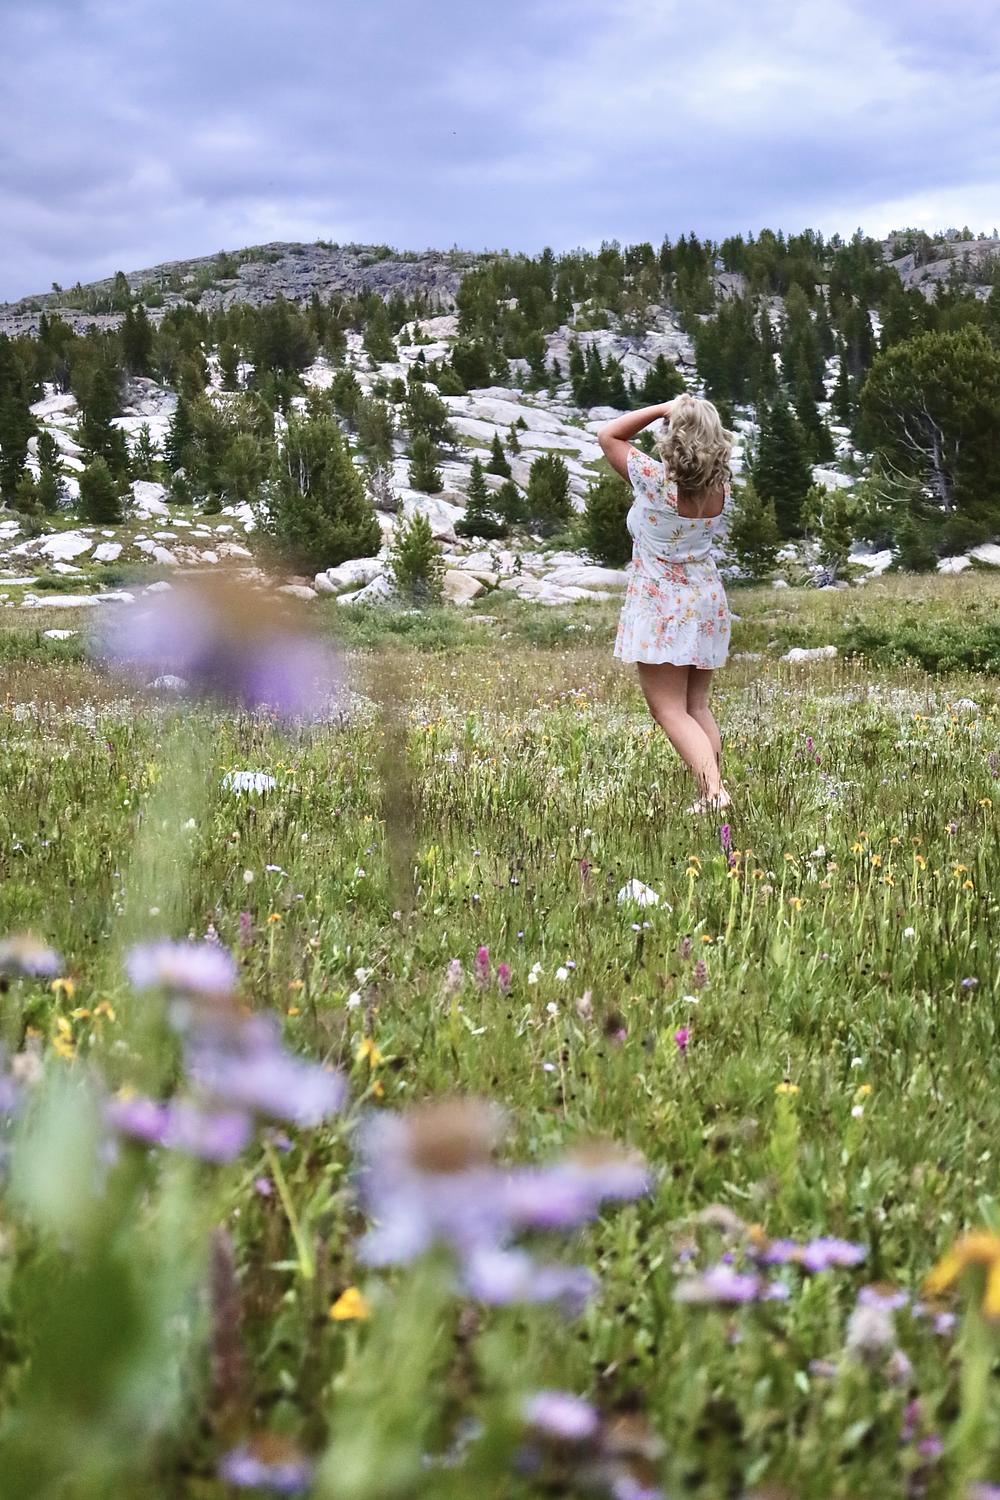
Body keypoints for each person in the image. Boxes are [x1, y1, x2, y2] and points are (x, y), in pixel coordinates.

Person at [597, 394, 734, 814]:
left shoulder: (655, 481)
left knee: (669, 709)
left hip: (664, 606)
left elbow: (608, 435)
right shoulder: (720, 489)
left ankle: (714, 793)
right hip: (707, 601)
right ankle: (712, 791)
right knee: (696, 706)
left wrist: (662, 408)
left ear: (676, 437)